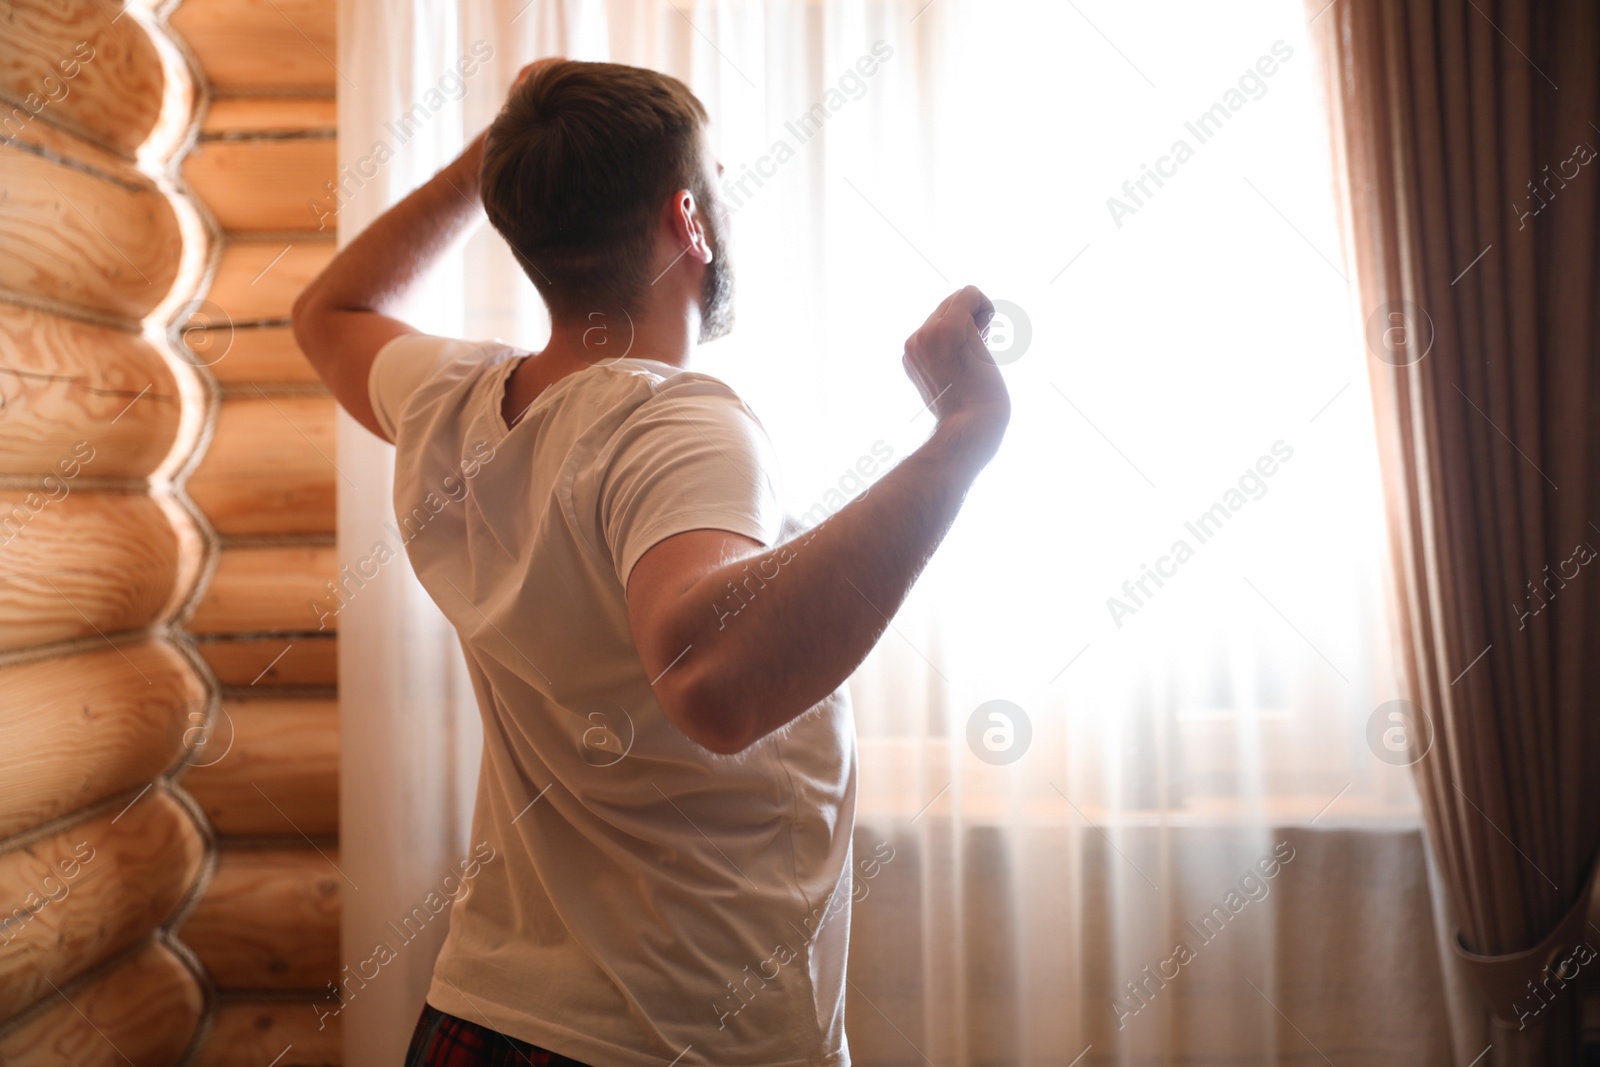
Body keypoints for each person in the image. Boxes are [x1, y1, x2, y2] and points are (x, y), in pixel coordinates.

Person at [291, 57, 1009, 1067]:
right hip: (668, 1038)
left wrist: (491, 158)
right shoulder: (675, 422)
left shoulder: (450, 401)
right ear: (688, 220)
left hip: (479, 1015)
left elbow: (328, 311)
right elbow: (707, 680)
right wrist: (961, 436)